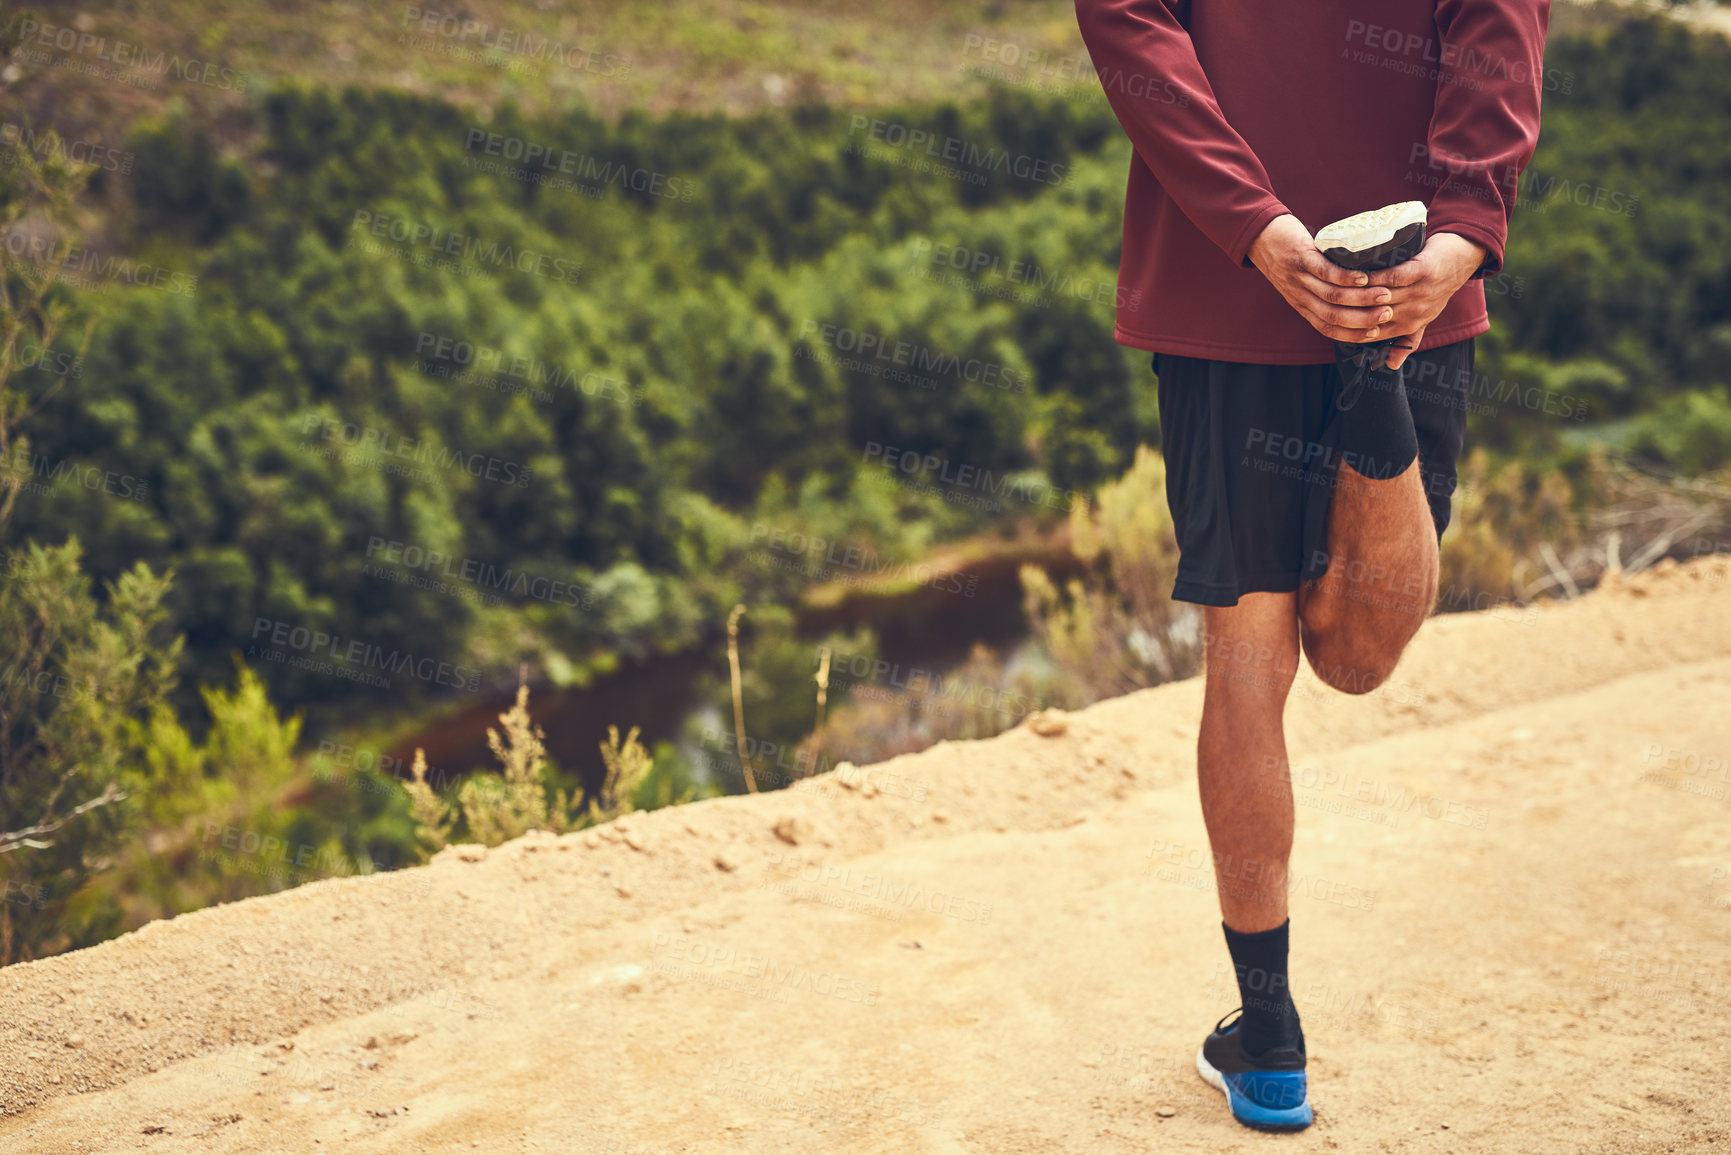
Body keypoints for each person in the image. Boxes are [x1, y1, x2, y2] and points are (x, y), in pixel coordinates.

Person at [1073, 0, 1551, 1132]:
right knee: (1357, 655)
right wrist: (1458, 237)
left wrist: (1254, 228)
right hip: (1412, 288)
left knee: (1252, 660)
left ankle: (1269, 1038)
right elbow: (1498, 37)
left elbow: (1130, 27)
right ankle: (1368, 381)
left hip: (1221, 282)